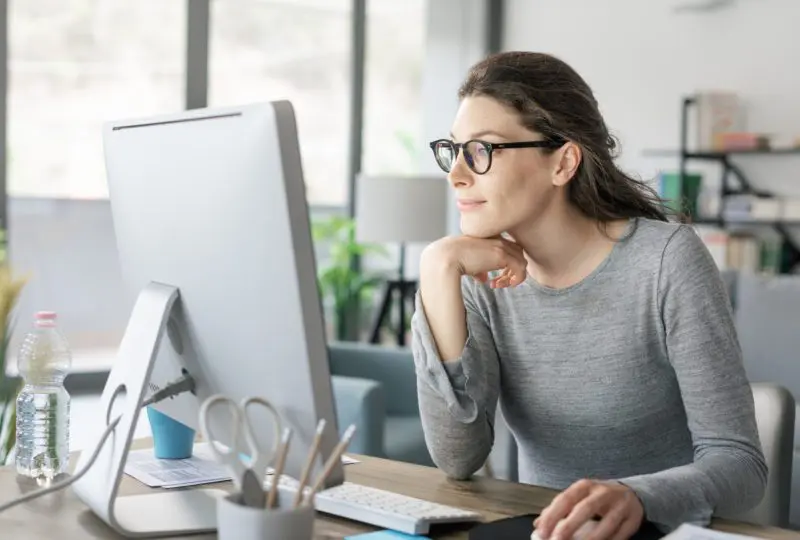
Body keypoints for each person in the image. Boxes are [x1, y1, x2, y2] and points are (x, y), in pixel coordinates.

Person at [411, 51, 767, 540]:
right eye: (454, 150)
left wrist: (636, 497)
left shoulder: (666, 262)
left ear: (563, 162)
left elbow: (741, 465)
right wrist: (436, 270)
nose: (456, 174)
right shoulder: (480, 278)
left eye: (483, 150)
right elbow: (458, 457)